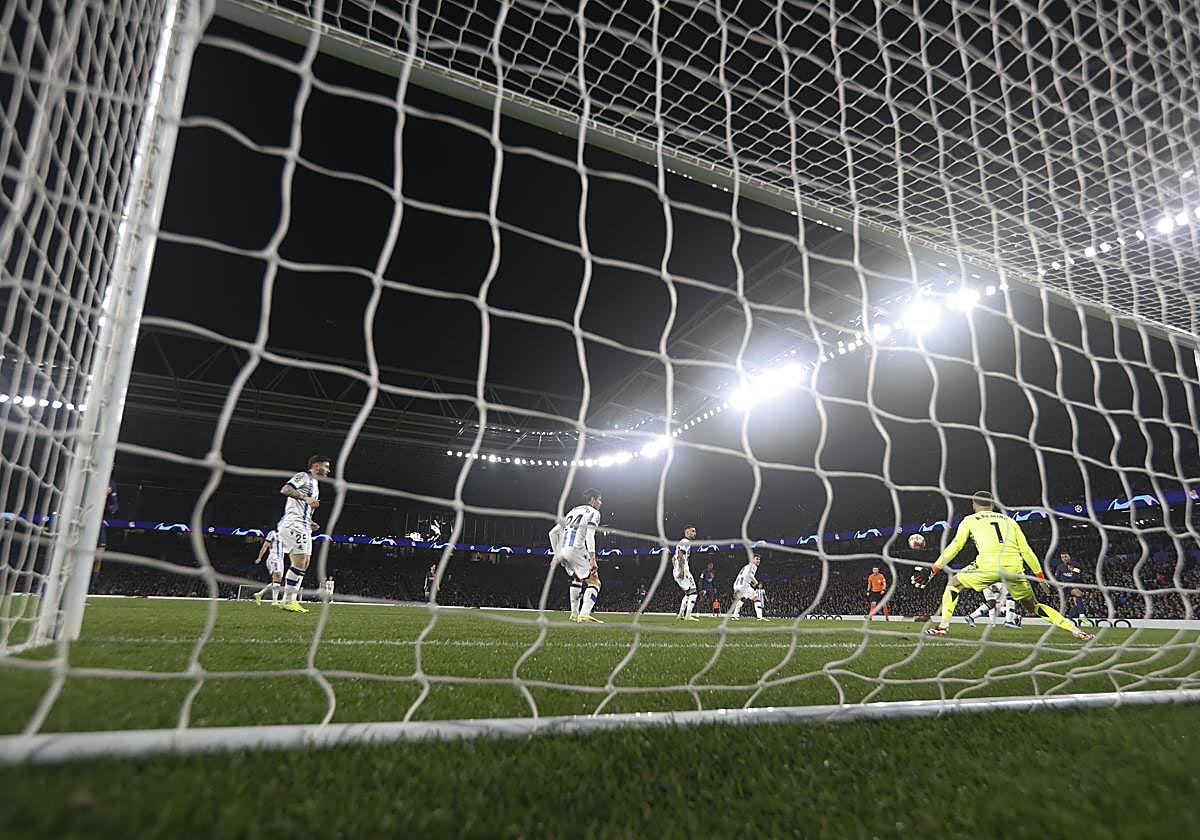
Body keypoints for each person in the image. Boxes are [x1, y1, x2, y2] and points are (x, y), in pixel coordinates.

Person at [924, 491, 1094, 640]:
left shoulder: (969, 520)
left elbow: (956, 546)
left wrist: (933, 570)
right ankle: (1075, 630)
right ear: (992, 505)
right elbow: (1026, 551)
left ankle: (943, 626)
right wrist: (1040, 578)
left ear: (974, 505)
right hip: (1014, 569)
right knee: (1033, 606)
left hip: (987, 566)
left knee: (954, 584)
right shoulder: (1010, 521)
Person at [274, 454, 332, 613]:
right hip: (294, 523)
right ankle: (288, 600)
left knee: (304, 562)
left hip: (304, 525)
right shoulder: (304, 476)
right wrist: (306, 498)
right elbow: (286, 489)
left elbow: (302, 506)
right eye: (326, 467)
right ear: (316, 466)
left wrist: (310, 521)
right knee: (300, 561)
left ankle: (290, 600)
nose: (328, 470)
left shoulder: (315, 484)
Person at [548, 488, 604, 622]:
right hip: (576, 549)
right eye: (599, 500)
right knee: (595, 582)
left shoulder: (572, 511)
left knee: (577, 579)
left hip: (563, 550)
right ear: (592, 500)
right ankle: (584, 614)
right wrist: (593, 559)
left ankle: (574, 614)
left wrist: (556, 555)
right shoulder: (594, 513)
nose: (601, 503)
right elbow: (589, 535)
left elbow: (552, 533)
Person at [89, 483, 120, 592]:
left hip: (99, 521)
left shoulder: (111, 483)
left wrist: (110, 509)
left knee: (99, 556)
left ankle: (90, 588)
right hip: (83, 518)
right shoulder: (88, 478)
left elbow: (114, 504)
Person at [673, 525, 700, 621]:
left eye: (695, 531)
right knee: (694, 592)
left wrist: (676, 569)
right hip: (683, 570)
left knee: (687, 593)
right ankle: (688, 615)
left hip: (676, 571)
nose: (695, 533)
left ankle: (680, 615)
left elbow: (673, 558)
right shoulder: (685, 542)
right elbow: (680, 554)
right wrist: (681, 570)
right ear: (687, 532)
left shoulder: (680, 542)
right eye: (693, 531)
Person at [730, 552, 768, 620]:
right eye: (757, 559)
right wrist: (756, 582)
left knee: (742, 599)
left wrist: (736, 589)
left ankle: (734, 615)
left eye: (759, 559)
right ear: (752, 559)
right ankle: (760, 616)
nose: (758, 560)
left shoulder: (746, 566)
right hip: (744, 585)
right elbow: (750, 575)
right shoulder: (753, 566)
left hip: (737, 584)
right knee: (756, 598)